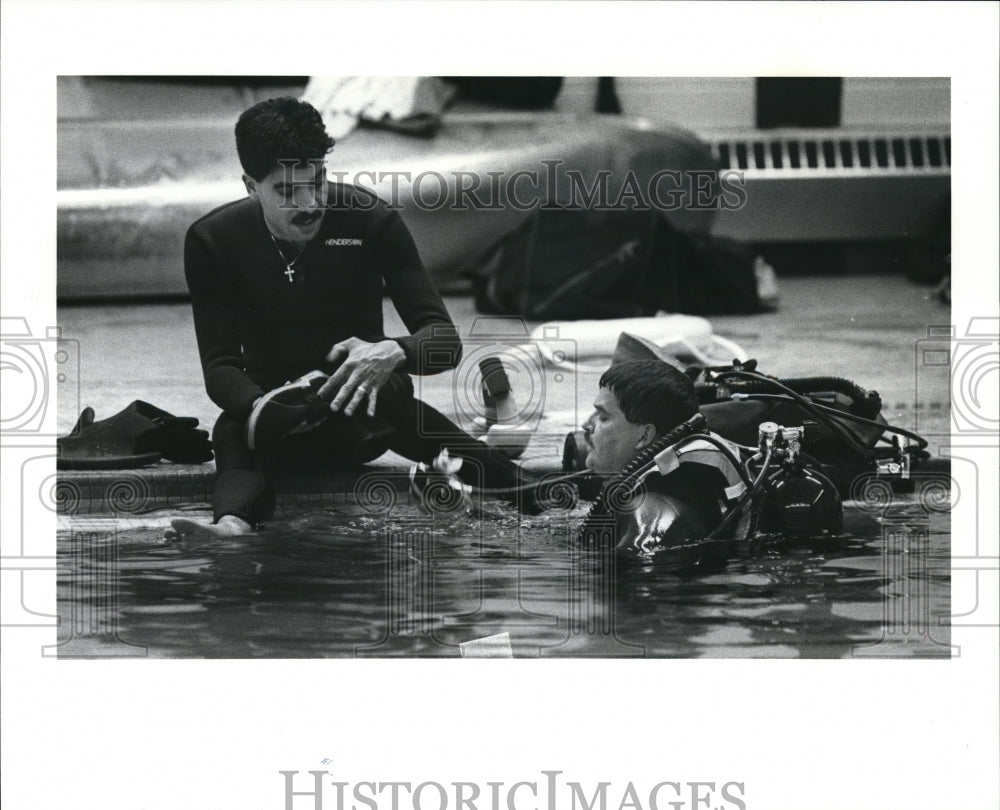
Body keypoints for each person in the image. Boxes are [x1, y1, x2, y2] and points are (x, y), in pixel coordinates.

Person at [166, 97, 529, 540]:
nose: (311, 203)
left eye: (317, 182)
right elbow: (220, 366)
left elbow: (444, 342)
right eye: (287, 191)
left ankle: (530, 493)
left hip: (366, 415)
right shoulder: (212, 241)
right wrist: (263, 406)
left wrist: (392, 351)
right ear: (250, 186)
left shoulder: (369, 220)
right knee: (232, 432)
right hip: (277, 421)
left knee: (404, 411)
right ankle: (233, 526)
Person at [578, 359, 743, 557]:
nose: (586, 425)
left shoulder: (653, 509)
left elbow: (639, 580)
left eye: (603, 418)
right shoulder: (652, 481)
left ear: (644, 436)